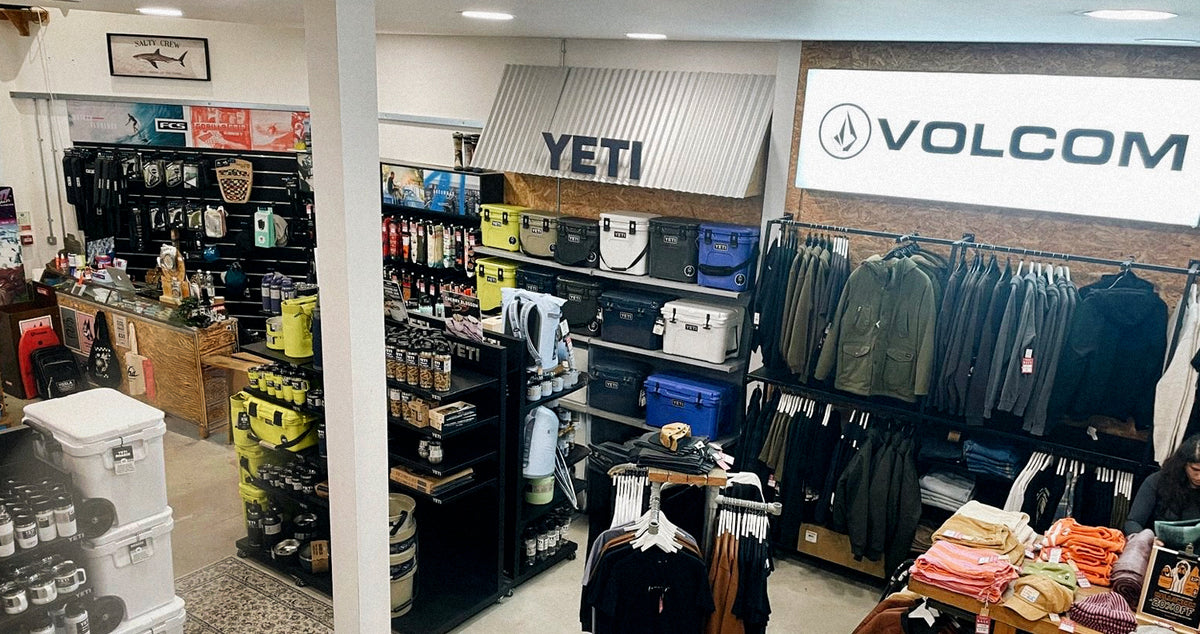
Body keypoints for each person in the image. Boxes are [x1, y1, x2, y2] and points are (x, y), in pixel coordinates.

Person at [1125, 434, 1200, 534]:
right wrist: (1146, 539)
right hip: (1155, 541)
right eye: (1195, 469)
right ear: (1183, 464)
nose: (1199, 476)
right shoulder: (1157, 481)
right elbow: (1133, 522)